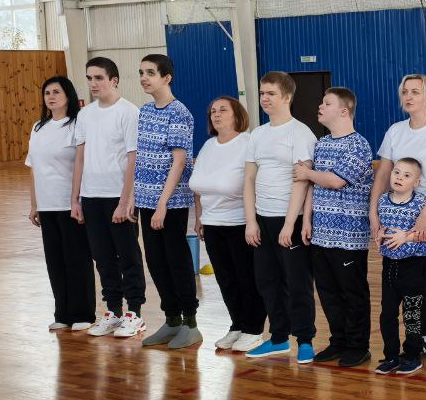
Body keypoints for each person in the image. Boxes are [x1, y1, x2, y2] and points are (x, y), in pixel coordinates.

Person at [369, 75, 426, 367]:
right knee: (416, 279)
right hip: (402, 208)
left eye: (415, 92)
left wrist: (425, 213)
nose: (408, 97)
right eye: (405, 92)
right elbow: (383, 174)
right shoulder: (395, 131)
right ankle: (423, 334)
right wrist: (373, 212)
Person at [243, 71, 318, 364]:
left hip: (291, 219)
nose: (264, 98)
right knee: (267, 281)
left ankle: (305, 340)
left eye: (271, 93)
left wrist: (289, 223)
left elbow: (303, 180)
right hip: (262, 219)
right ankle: (278, 338)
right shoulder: (257, 134)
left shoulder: (301, 133)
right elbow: (250, 178)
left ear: (287, 97)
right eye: (262, 93)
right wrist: (251, 220)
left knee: (297, 283)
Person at [298, 88, 375, 369]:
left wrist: (307, 172)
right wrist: (307, 219)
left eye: (327, 103)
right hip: (321, 233)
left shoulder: (358, 145)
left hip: (349, 236)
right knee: (328, 292)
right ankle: (338, 340)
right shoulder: (321, 143)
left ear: (344, 111)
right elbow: (314, 186)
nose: (320, 106)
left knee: (352, 292)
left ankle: (358, 346)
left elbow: (335, 180)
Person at [73, 56, 145, 338]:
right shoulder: (85, 115)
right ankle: (113, 312)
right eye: (89, 78)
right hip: (91, 197)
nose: (93, 83)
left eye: (99, 78)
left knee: (128, 256)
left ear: (114, 80)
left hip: (118, 197)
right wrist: (76, 199)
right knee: (102, 258)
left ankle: (134, 313)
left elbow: (133, 158)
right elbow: (80, 158)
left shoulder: (129, 112)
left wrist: (125, 201)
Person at [133, 54, 200, 350]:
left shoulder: (179, 112)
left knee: (177, 261)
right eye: (141, 72)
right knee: (156, 261)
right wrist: (136, 198)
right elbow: (140, 158)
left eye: (150, 73)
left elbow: (179, 161)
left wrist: (162, 203)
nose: (144, 78)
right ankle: (171, 319)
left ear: (167, 77)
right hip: (146, 200)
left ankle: (190, 323)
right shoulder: (145, 111)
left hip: (170, 202)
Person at [190, 96, 266, 352]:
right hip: (212, 224)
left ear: (237, 115)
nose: (216, 114)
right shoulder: (208, 146)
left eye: (223, 110)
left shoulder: (247, 143)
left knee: (246, 279)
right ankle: (237, 324)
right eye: (213, 111)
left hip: (240, 223)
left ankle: (253, 329)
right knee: (225, 280)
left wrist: (252, 222)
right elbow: (198, 187)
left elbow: (253, 184)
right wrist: (200, 217)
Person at [27, 75, 96, 332]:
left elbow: (83, 164)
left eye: (56, 92)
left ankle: (83, 313)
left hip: (70, 205)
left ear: (68, 95)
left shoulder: (76, 125)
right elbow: (33, 168)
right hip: (47, 206)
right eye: (47, 93)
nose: (51, 97)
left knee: (77, 260)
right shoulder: (38, 128)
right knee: (55, 261)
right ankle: (62, 313)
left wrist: (77, 200)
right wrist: (34, 205)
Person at [374, 157, 426, 376]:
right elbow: (381, 228)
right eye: (396, 172)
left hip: (414, 266)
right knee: (387, 314)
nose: (399, 178)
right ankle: (391, 356)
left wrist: (407, 237)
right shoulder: (383, 201)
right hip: (389, 266)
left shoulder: (422, 204)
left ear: (416, 182)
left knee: (412, 314)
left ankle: (412, 356)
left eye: (406, 175)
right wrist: (379, 234)